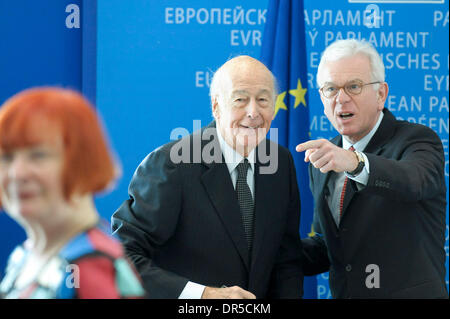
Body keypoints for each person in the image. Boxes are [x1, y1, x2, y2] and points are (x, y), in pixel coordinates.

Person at [112, 55, 304, 299]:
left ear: (275, 106)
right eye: (240, 100)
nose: (253, 112)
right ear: (216, 106)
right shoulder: (173, 163)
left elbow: (285, 260)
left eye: (263, 100)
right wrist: (202, 295)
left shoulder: (280, 163)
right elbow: (122, 256)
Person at [297, 39, 447, 298]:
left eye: (353, 86)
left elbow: (413, 181)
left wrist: (354, 163)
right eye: (330, 89)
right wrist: (269, 250)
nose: (341, 98)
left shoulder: (418, 140)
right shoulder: (325, 158)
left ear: (381, 94)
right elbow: (329, 244)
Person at [0, 87, 146, 299]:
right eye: (6, 157)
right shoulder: (25, 255)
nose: (17, 173)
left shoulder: (89, 264)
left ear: (83, 162)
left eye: (38, 155)